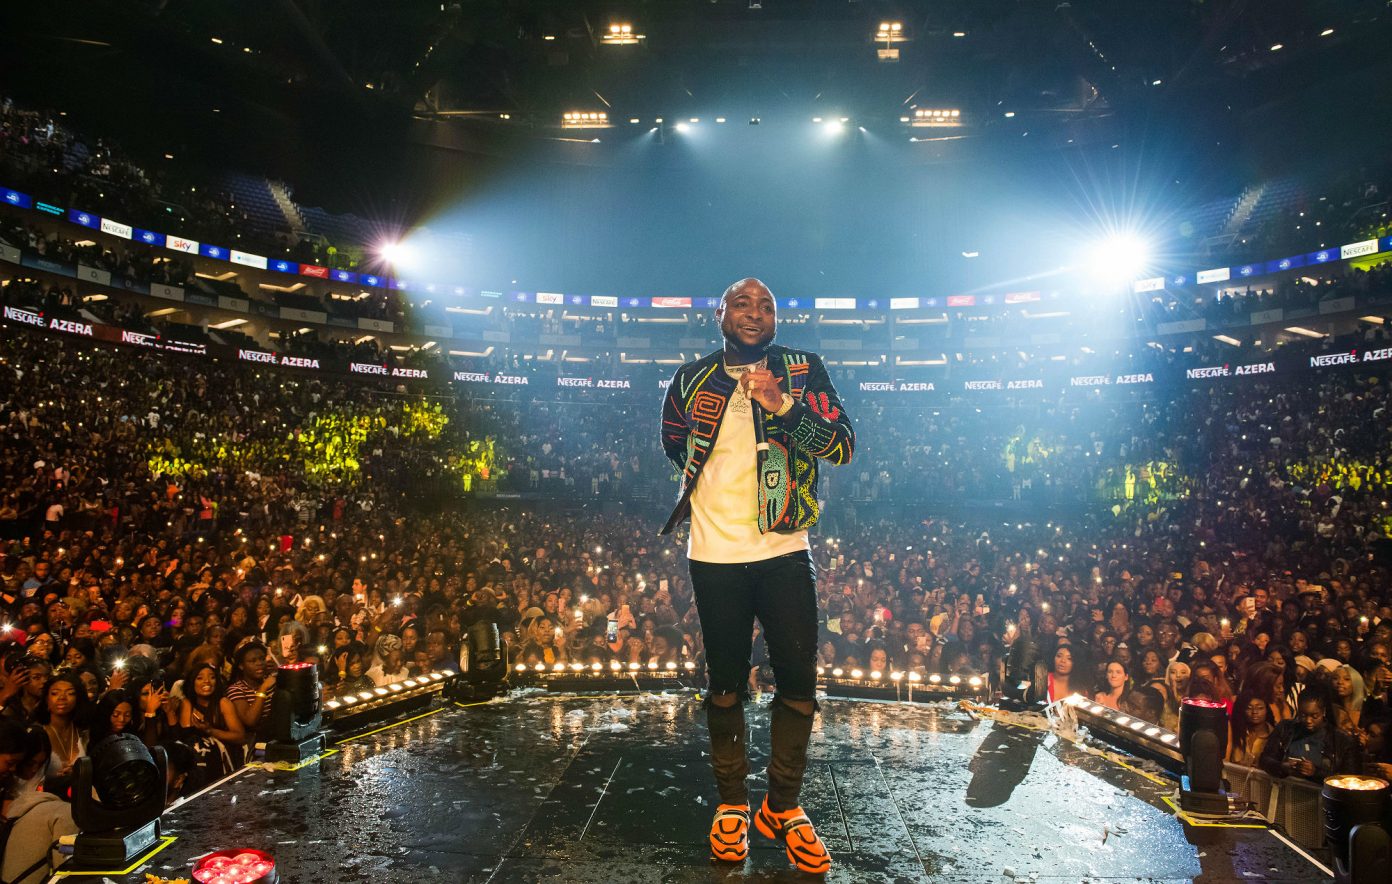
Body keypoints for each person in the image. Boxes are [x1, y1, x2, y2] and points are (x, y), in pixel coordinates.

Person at [659, 278, 854, 874]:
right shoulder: (691, 378)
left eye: (766, 304)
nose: (755, 312)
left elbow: (843, 446)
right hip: (714, 552)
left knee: (798, 679)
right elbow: (673, 443)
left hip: (785, 546)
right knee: (724, 682)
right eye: (741, 303)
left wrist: (783, 407)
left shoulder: (802, 369)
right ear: (719, 315)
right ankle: (731, 805)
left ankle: (784, 806)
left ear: (776, 319)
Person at [1259, 687, 1362, 782]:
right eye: (1303, 715)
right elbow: (1264, 760)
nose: (1308, 720)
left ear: (1323, 712)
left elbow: (1350, 781)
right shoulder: (1285, 729)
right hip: (1286, 793)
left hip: (1321, 798)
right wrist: (1282, 766)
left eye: (1314, 716)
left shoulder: (1341, 740)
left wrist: (1316, 773)